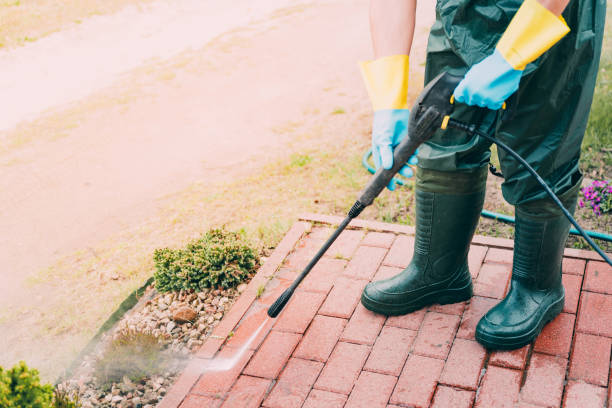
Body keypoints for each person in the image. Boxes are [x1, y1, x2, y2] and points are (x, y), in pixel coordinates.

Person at [359, 0, 605, 349]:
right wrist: (388, 100)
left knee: (541, 151)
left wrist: (512, 55)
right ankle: (439, 272)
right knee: (443, 136)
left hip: (550, 12)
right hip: (463, 15)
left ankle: (538, 288)